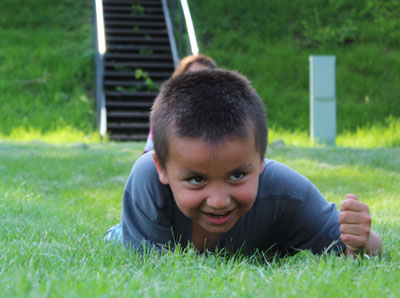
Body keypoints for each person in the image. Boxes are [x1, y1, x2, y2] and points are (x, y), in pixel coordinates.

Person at [108, 69, 382, 257]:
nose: (218, 200)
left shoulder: (287, 192)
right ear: (162, 169)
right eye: (196, 179)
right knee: (117, 238)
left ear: (260, 161)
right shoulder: (148, 179)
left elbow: (358, 247)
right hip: (128, 231)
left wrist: (362, 239)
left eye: (237, 175)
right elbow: (151, 273)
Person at [142, 54, 217, 154]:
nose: (196, 83)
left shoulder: (224, 113)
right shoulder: (165, 112)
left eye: (203, 78)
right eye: (191, 77)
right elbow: (149, 151)